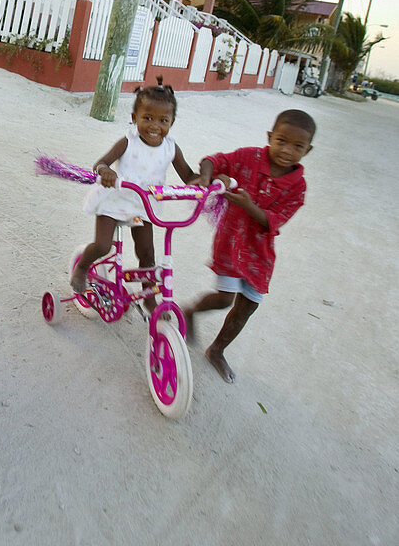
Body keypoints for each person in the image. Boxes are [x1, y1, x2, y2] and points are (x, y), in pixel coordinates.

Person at [184, 108, 315, 384]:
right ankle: (190, 311)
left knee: (247, 307)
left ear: (308, 150)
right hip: (231, 241)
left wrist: (248, 205)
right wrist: (207, 176)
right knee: (224, 298)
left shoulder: (297, 187)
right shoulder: (249, 157)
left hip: (260, 254)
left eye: (298, 146)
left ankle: (217, 350)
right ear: (270, 136)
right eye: (281, 141)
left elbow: (275, 222)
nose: (287, 150)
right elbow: (214, 160)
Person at [70, 79, 199, 299]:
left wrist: (206, 182)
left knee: (147, 254)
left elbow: (188, 176)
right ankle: (82, 267)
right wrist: (106, 172)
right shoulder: (128, 143)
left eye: (163, 120)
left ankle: (148, 297)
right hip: (115, 198)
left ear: (172, 122)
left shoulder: (171, 148)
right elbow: (100, 163)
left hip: (143, 205)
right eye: (147, 118)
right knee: (103, 245)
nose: (154, 126)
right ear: (134, 118)